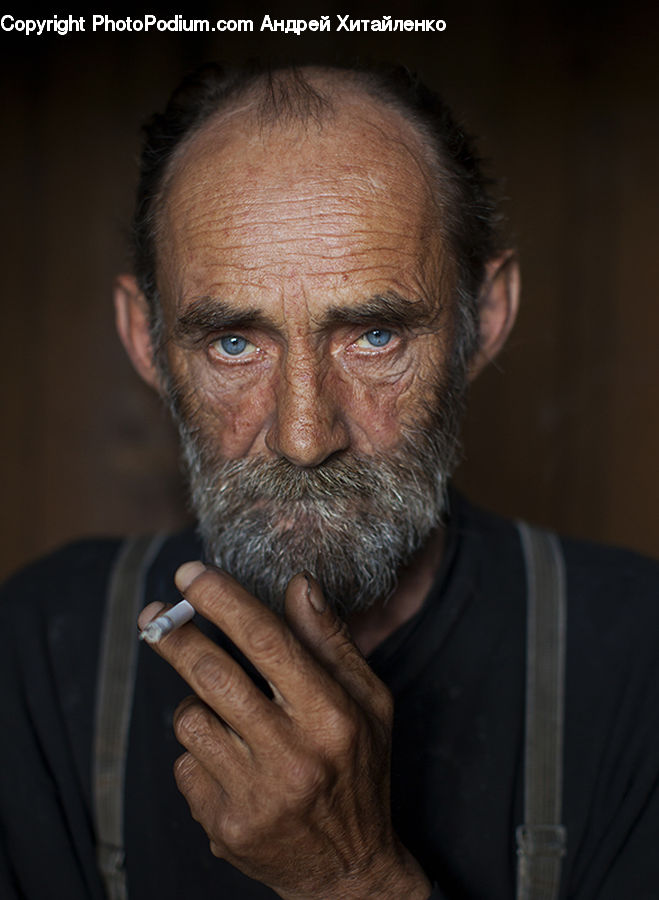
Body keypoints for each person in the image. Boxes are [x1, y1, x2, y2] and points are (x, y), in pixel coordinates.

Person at [1, 61, 658, 900]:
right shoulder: (33, 655)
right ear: (145, 340)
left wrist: (352, 879)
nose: (305, 437)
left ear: (482, 319)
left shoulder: (639, 659)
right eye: (234, 343)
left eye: (375, 336)